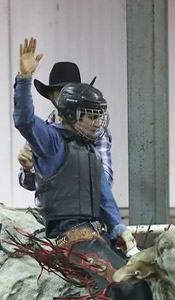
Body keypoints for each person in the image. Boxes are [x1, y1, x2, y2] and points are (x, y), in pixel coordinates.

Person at [12, 37, 155, 300]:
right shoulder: (53, 142)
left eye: (97, 114)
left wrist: (120, 229)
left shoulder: (89, 150)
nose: (96, 121)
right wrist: (24, 80)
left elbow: (104, 198)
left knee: (142, 283)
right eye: (91, 114)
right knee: (122, 285)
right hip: (70, 242)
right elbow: (24, 119)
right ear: (73, 114)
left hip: (95, 238)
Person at [17, 61, 113, 204]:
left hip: (81, 215)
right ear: (51, 94)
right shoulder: (43, 130)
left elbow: (105, 180)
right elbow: (26, 184)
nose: (67, 96)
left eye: (72, 90)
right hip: (46, 216)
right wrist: (28, 169)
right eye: (61, 90)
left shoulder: (93, 128)